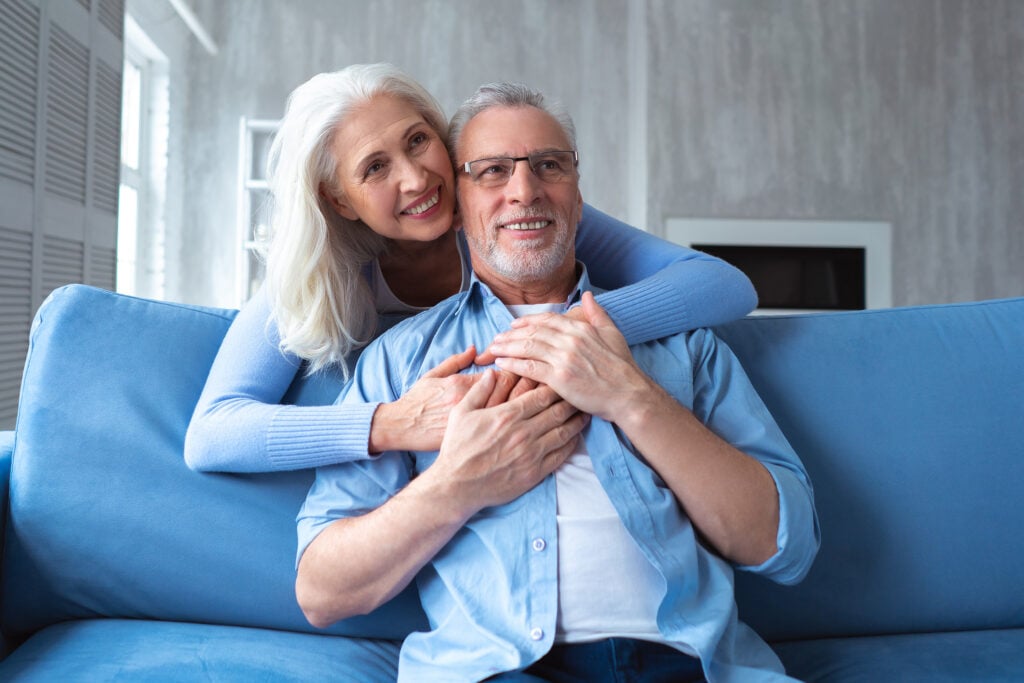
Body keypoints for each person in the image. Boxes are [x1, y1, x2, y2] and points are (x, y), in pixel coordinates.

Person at [295, 83, 820, 682]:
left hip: (693, 666)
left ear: (575, 191)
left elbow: (787, 546)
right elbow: (321, 591)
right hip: (497, 671)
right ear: (458, 201)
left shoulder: (683, 343)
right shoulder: (401, 362)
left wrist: (633, 398)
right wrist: (456, 485)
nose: (525, 190)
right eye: (491, 171)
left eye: (549, 165)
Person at [183, 63, 757, 475]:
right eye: (376, 168)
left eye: (418, 141)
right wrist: (388, 423)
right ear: (338, 200)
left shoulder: (508, 213)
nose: (415, 178)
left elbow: (723, 284)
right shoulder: (324, 276)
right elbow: (212, 433)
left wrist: (567, 331)